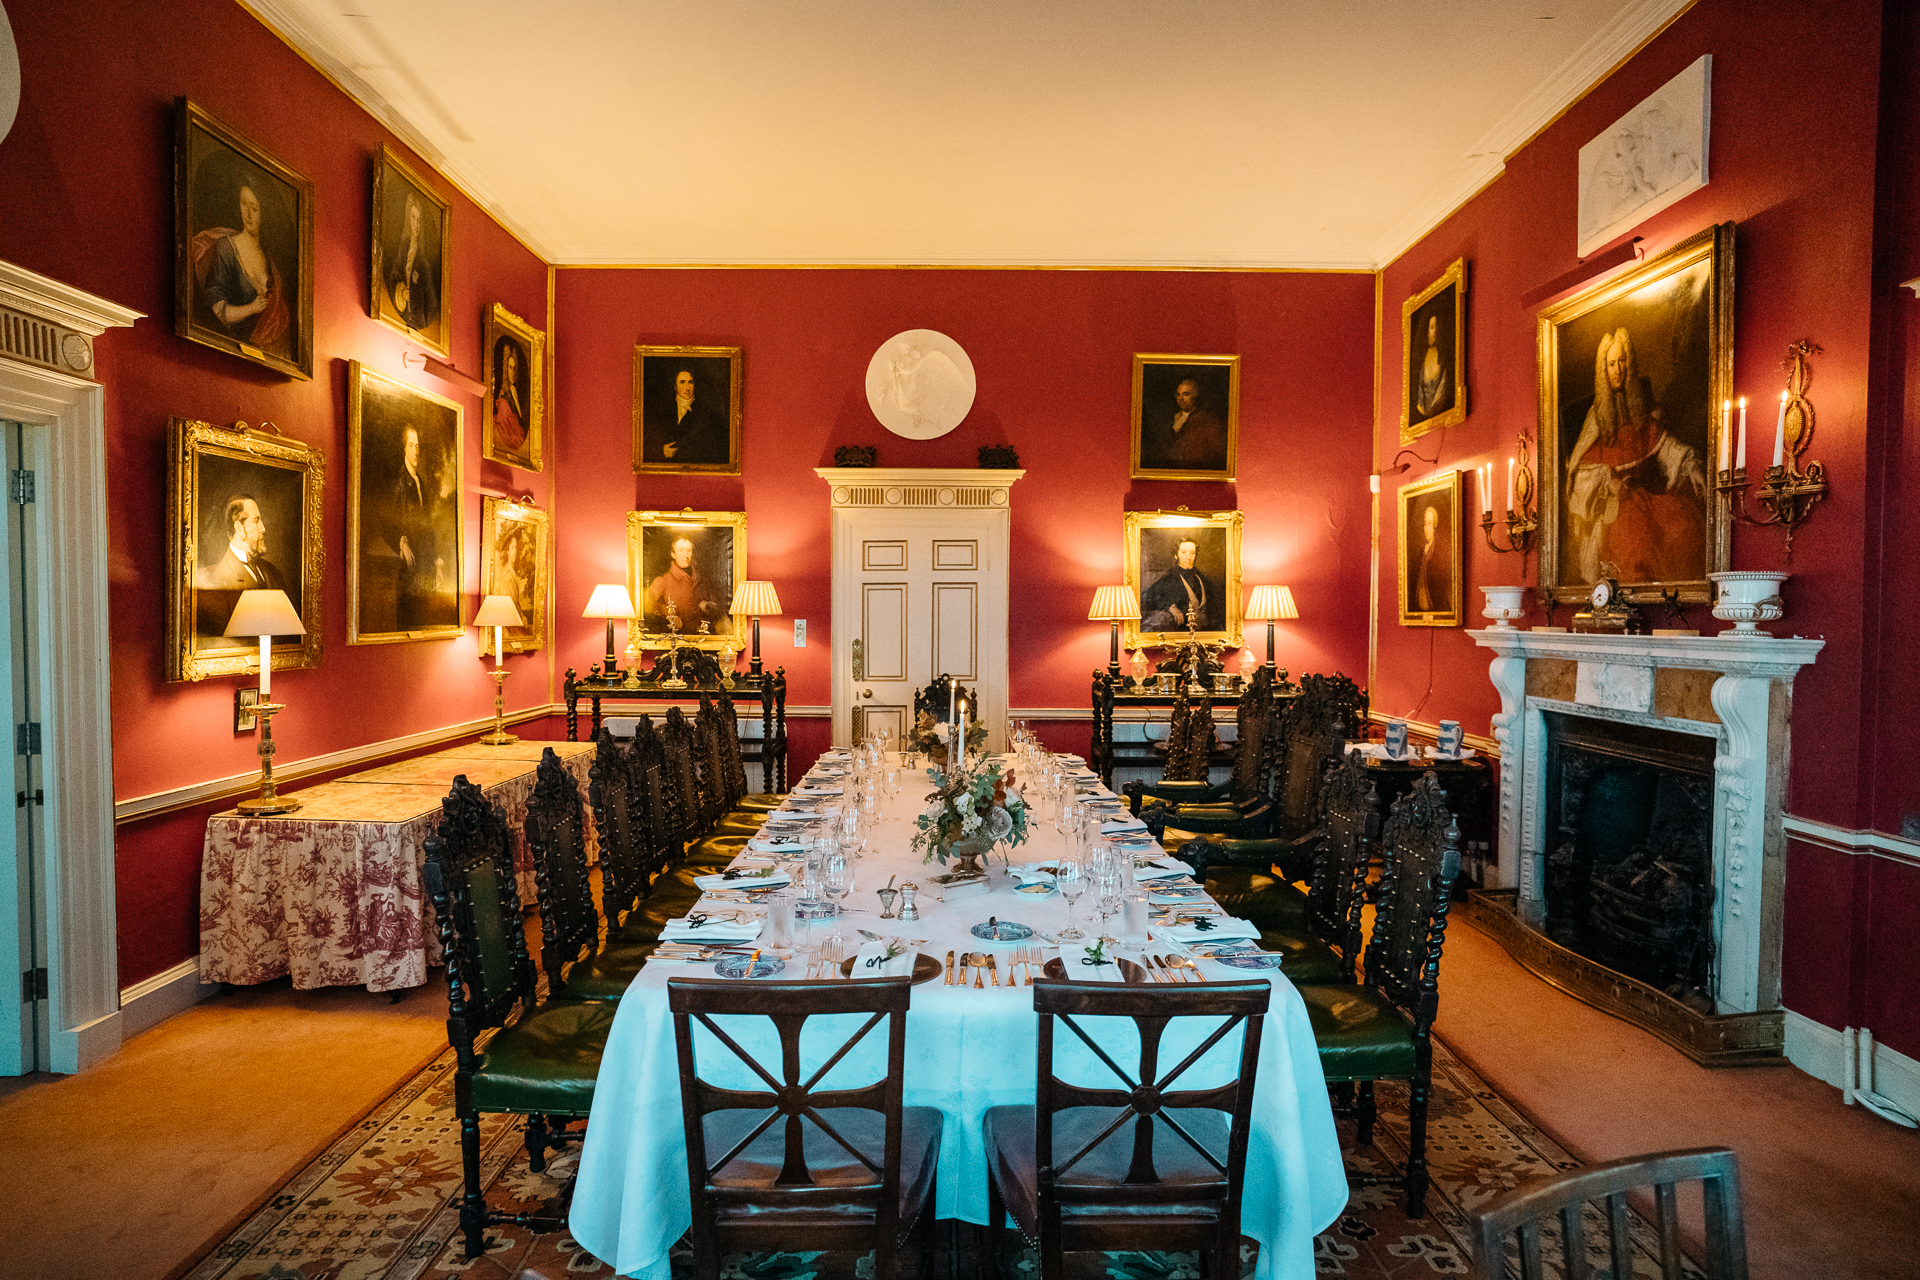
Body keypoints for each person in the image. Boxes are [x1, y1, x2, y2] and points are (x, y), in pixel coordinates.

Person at [1564, 326, 1707, 583]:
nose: (1617, 369)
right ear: (1603, 370)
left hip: (1650, 496)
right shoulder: (1595, 420)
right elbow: (1579, 472)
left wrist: (1691, 465)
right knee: (1636, 543)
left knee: (1685, 528)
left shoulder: (1642, 410)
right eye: (1611, 364)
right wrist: (1609, 479)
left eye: (1622, 361)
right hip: (1616, 506)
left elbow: (1666, 447)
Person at [190, 183, 291, 355]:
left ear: (263, 215)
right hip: (221, 354)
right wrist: (251, 308)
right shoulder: (226, 248)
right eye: (244, 203)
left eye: (255, 208)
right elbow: (218, 309)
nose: (248, 214)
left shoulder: (270, 265)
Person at [194, 493, 289, 640]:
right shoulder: (218, 582)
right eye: (256, 521)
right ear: (239, 528)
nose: (263, 528)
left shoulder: (273, 573)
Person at [384, 425, 440, 630]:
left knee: (425, 616)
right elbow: (387, 522)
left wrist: (436, 557)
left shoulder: (420, 483)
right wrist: (401, 542)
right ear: (404, 449)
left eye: (418, 446)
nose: (416, 450)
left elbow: (427, 524)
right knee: (409, 617)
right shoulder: (399, 482)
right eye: (411, 445)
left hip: (424, 561)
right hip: (409, 563)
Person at [1141, 376, 1227, 471]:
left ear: (1195, 396)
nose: (1181, 398)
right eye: (1178, 395)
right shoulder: (1172, 418)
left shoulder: (1207, 421)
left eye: (1186, 394)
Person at [644, 534, 727, 632]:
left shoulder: (702, 580)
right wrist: (668, 613)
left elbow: (720, 609)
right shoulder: (663, 580)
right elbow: (646, 604)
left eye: (689, 550)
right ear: (673, 554)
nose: (686, 555)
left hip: (703, 641)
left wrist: (709, 607)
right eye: (681, 550)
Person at [1139, 538, 1222, 631]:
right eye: (1184, 552)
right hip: (1181, 633)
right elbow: (1146, 599)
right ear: (1175, 555)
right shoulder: (1168, 579)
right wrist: (1170, 606)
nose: (1189, 557)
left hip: (1206, 633)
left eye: (1192, 553)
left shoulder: (1204, 580)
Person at [648, 368, 728, 465]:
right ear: (675, 386)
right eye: (682, 382)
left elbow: (713, 449)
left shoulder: (706, 413)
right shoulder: (661, 410)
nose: (687, 387)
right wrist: (661, 450)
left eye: (690, 382)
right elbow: (649, 439)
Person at [385, 193, 439, 333]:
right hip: (402, 312)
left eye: (419, 220)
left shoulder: (424, 261)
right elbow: (395, 272)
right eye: (413, 218)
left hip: (416, 318)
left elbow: (432, 303)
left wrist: (415, 294)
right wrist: (401, 291)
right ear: (408, 219)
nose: (416, 224)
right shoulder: (403, 248)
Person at [492, 340, 529, 453]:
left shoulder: (514, 392)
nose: (513, 372)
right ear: (505, 369)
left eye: (515, 368)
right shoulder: (503, 402)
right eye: (510, 368)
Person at [1415, 312, 1451, 417]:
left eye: (1436, 327)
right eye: (1431, 327)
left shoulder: (1443, 358)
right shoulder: (1422, 360)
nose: (1434, 331)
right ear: (1427, 331)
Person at [1412, 503, 1446, 612]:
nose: (1426, 528)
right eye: (1425, 524)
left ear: (1435, 526)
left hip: (1433, 603)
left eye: (1429, 523)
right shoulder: (1420, 552)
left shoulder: (1439, 551)